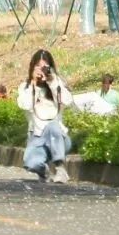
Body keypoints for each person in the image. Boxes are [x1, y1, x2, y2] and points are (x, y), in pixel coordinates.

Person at [17, 49, 73, 183]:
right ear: (32, 67)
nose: (41, 70)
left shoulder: (57, 83)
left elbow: (68, 101)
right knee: (31, 163)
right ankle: (44, 172)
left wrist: (52, 82)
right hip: (37, 138)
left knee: (52, 126)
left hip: (59, 138)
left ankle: (60, 168)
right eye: (38, 66)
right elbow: (25, 105)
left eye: (44, 67)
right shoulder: (25, 87)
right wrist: (34, 85)